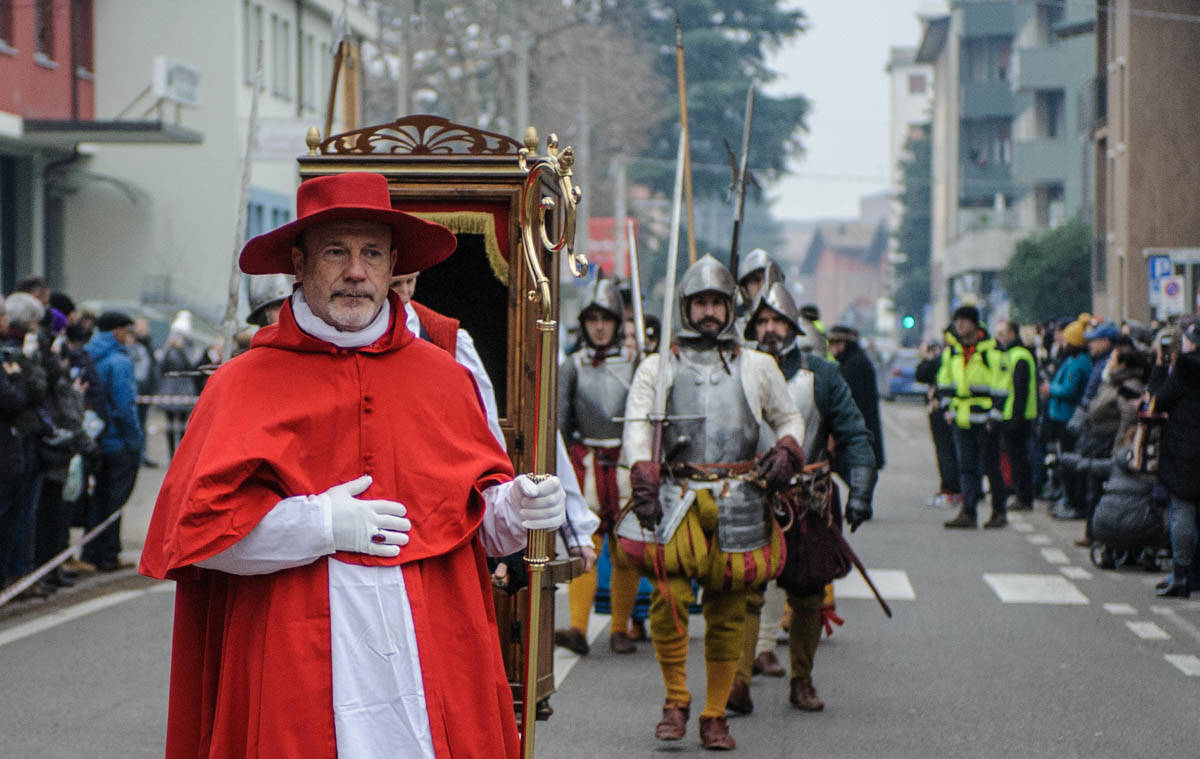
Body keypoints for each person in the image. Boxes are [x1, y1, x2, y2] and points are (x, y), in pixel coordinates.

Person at [140, 172, 566, 759]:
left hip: (430, 663)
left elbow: (474, 526)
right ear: (299, 262)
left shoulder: (443, 376)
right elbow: (199, 538)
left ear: (394, 263)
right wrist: (318, 525)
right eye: (336, 251)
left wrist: (516, 508)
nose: (356, 272)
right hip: (293, 663)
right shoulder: (241, 384)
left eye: (371, 253)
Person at [617, 254, 805, 750]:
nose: (707, 312)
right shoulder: (658, 366)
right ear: (685, 306)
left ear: (728, 308)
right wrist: (641, 467)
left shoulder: (759, 366)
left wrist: (787, 449)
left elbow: (788, 418)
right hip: (675, 495)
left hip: (738, 496)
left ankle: (715, 713)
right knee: (669, 599)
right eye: (699, 302)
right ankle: (675, 700)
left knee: (727, 610)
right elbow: (638, 422)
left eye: (716, 302)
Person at [729, 282, 876, 715]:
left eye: (778, 321)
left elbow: (854, 433)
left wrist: (862, 490)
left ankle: (802, 679)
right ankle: (738, 681)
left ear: (793, 326)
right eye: (763, 321)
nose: (771, 328)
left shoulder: (824, 375)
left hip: (808, 498)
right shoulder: (736, 369)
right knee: (746, 590)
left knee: (809, 596)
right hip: (749, 495)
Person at [556, 278, 642, 655]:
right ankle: (577, 627)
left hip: (624, 464)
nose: (599, 326)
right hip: (588, 463)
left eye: (605, 318)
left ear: (616, 321)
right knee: (585, 546)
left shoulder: (638, 364)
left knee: (626, 550)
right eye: (592, 319)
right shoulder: (571, 366)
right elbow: (559, 422)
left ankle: (621, 628)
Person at [937, 306, 1010, 529]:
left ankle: (999, 512)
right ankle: (968, 512)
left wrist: (995, 416)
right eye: (957, 321)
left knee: (990, 467)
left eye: (964, 321)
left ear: (975, 324)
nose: (959, 325)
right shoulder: (953, 352)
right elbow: (945, 381)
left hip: (986, 418)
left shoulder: (993, 351)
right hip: (961, 417)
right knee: (966, 467)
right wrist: (947, 408)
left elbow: (1002, 384)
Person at [84, 311, 144, 572]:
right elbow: (124, 406)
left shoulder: (90, 354)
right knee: (115, 500)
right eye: (126, 331)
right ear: (117, 332)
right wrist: (134, 440)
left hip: (97, 439)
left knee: (98, 498)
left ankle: (92, 550)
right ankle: (109, 554)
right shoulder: (119, 362)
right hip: (119, 442)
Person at [1148, 321, 1199, 597]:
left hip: (1185, 450)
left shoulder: (1185, 368)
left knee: (1182, 511)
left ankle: (1181, 575)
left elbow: (1159, 400)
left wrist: (1159, 366)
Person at [827, 325, 885, 472]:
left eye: (833, 344)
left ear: (842, 344)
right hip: (863, 435)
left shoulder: (853, 366)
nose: (831, 349)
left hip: (857, 437)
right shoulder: (855, 360)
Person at [995, 320, 1037, 511]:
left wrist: (1015, 417)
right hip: (1011, 413)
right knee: (1014, 457)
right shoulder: (1010, 354)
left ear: (1013, 333)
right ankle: (1020, 493)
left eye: (1002, 333)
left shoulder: (1019, 355)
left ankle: (1024, 496)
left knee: (1019, 458)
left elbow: (1020, 390)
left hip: (1018, 415)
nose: (999, 337)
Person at [916, 336, 961, 509]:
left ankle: (950, 491)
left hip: (944, 410)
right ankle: (951, 489)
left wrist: (927, 358)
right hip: (950, 409)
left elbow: (922, 373)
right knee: (949, 452)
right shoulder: (951, 355)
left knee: (946, 452)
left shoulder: (947, 356)